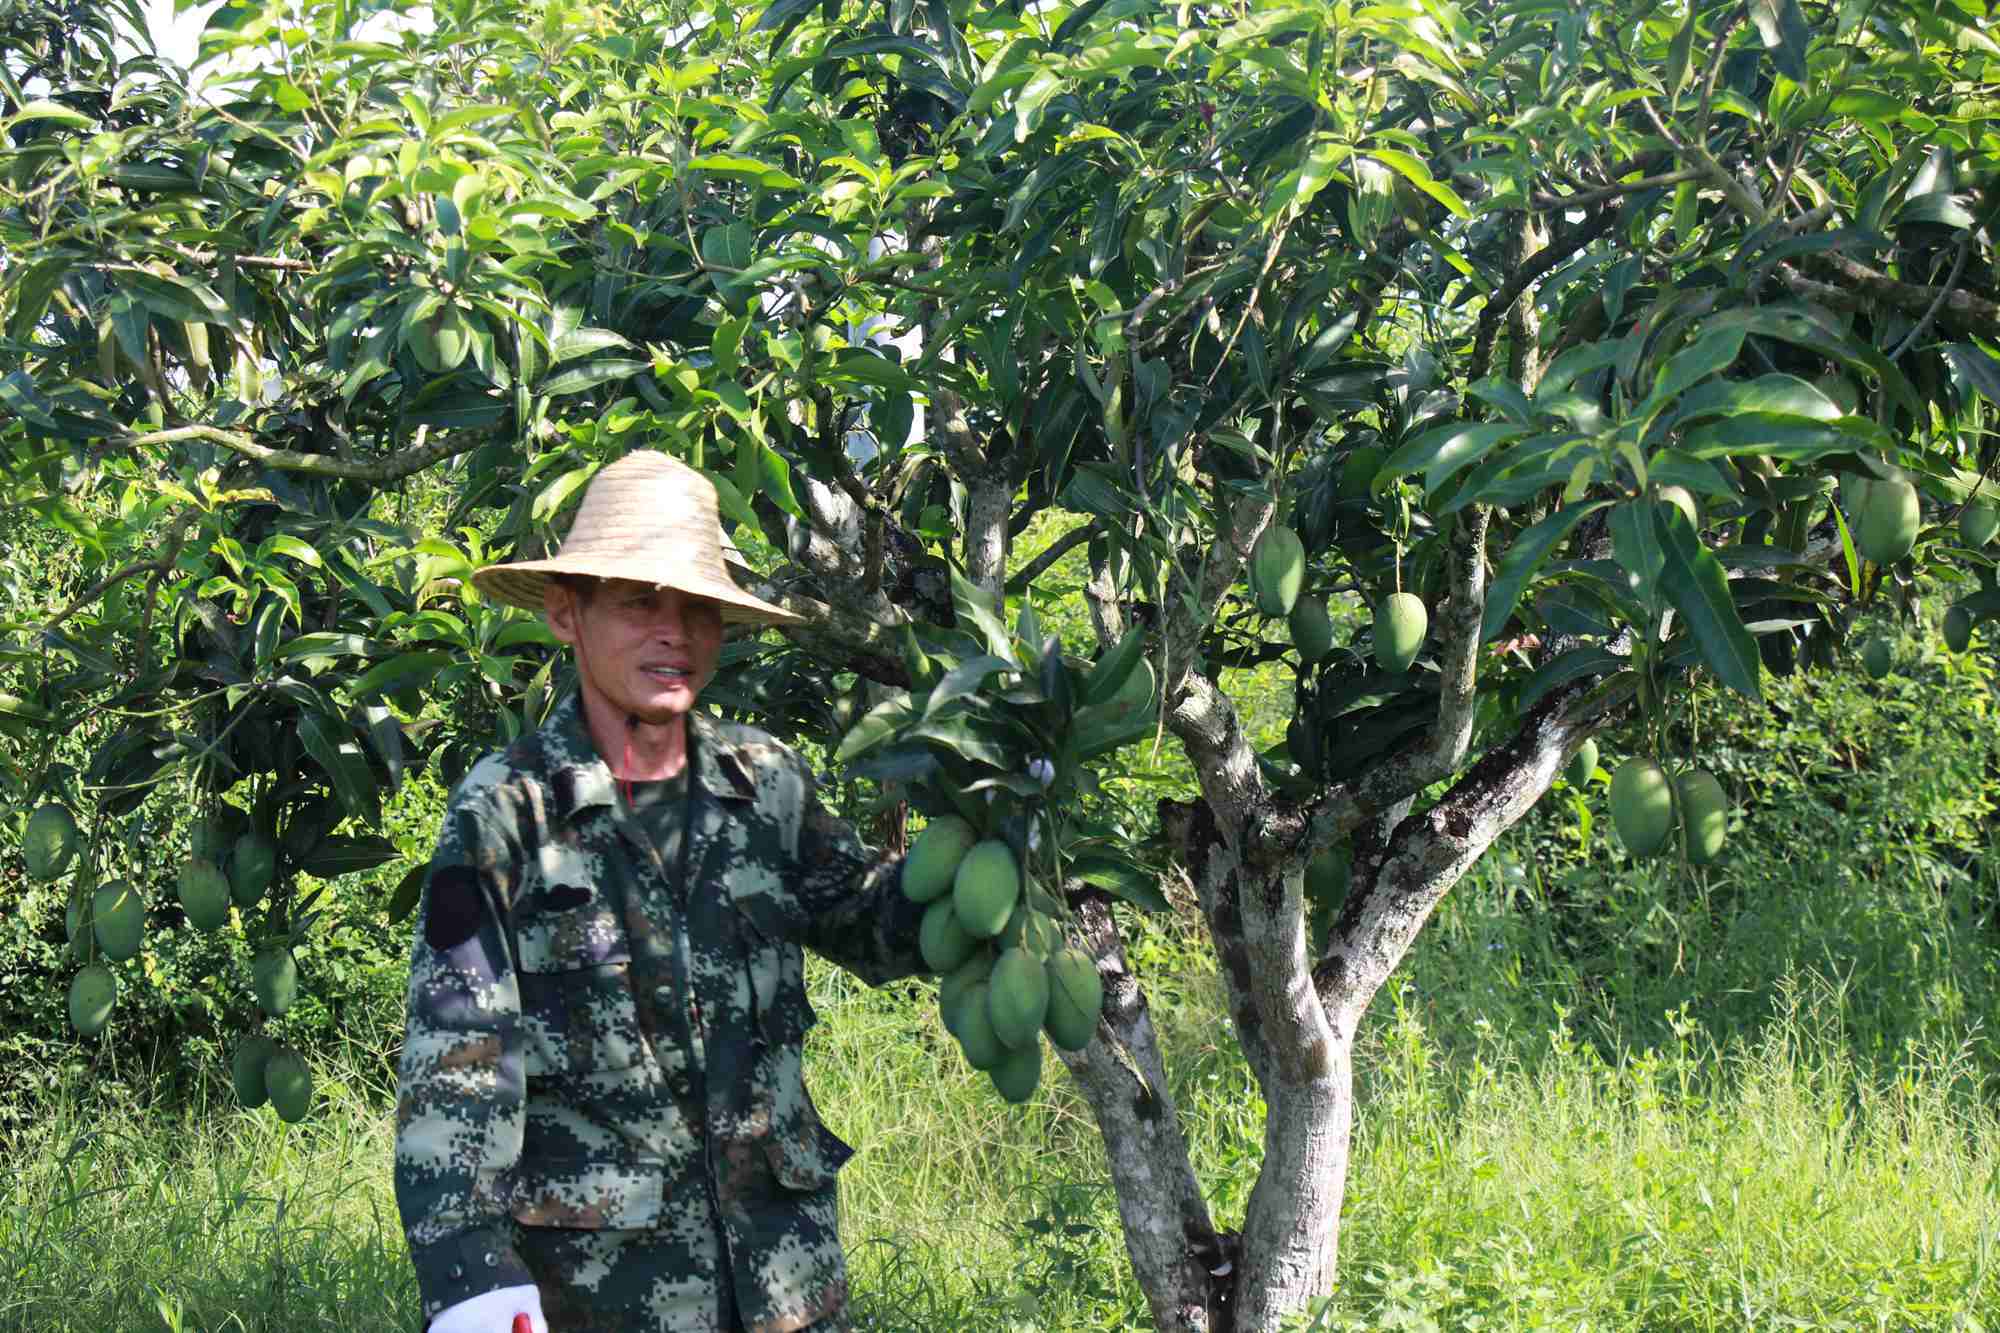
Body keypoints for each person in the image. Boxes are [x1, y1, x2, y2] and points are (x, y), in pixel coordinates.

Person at [394, 451, 930, 1333]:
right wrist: (469, 1273)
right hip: (602, 1292)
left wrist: (985, 837)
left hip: (785, 1284)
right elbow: (458, 1057)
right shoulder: (509, 810)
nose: (673, 630)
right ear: (568, 611)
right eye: (640, 599)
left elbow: (871, 926)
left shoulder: (767, 784)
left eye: (695, 605)